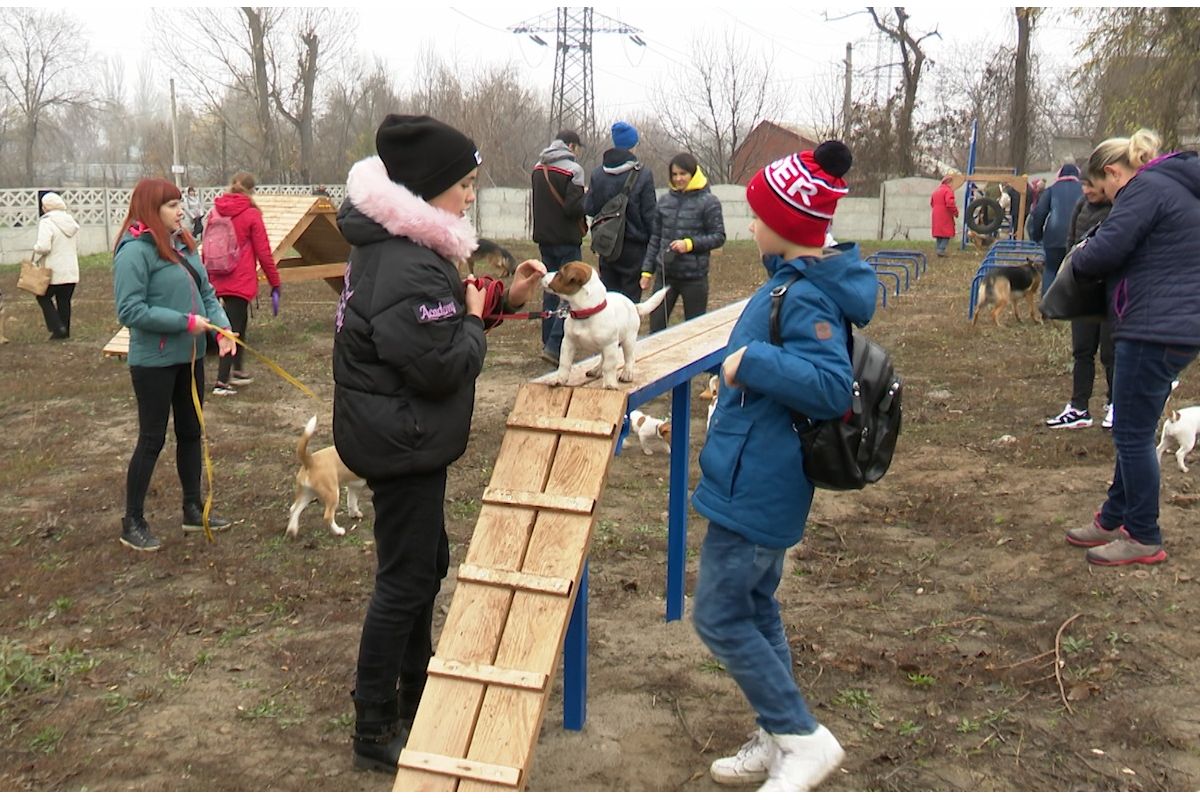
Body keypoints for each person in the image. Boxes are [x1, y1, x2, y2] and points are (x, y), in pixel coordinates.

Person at [332, 114, 547, 773]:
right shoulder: (407, 263)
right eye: (465, 184)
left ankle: (414, 684)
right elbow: (441, 364)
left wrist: (499, 299)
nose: (471, 195)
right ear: (428, 191)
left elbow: (438, 320)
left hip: (399, 434)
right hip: (401, 439)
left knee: (423, 566)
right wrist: (480, 322)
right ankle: (374, 726)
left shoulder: (403, 248)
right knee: (404, 580)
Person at [690, 142, 876, 792]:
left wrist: (747, 365)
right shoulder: (791, 279)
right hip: (753, 474)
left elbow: (830, 385)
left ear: (788, 226)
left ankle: (803, 741)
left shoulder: (805, 297)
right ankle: (777, 734)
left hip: (760, 485)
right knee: (758, 607)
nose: (749, 224)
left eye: (759, 216)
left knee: (717, 614)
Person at [1065, 129, 1200, 567]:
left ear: (1113, 172)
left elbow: (1106, 250)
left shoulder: (1144, 189)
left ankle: (1143, 534)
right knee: (1133, 427)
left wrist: (1078, 257)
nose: (1102, 198)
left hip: (1154, 327)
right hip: (1173, 324)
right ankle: (1113, 517)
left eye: (1102, 191)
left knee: (1133, 434)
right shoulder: (1174, 187)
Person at [112, 178, 237, 552]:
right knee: (152, 439)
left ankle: (192, 508)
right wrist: (184, 322)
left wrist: (222, 330)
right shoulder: (134, 251)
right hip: (154, 361)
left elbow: (206, 292)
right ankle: (132, 520)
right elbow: (130, 310)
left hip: (191, 356)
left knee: (191, 432)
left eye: (179, 203)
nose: (180, 210)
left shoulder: (183, 243)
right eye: (171, 205)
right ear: (151, 209)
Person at [1044, 177, 1114, 431]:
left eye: (1092, 185)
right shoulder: (1081, 205)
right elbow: (1071, 242)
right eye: (1084, 185)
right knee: (1082, 350)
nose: (1087, 190)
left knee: (1111, 353)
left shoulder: (1120, 207)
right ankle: (1078, 407)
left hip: (1110, 291)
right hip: (1084, 288)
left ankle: (1114, 404)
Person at [208, 172, 283, 396]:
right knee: (231, 329)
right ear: (251, 191)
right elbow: (263, 253)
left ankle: (237, 370)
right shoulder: (251, 214)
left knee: (238, 323)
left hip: (217, 273)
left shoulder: (216, 210)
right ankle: (222, 381)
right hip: (239, 279)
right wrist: (275, 282)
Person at [640, 152, 726, 332]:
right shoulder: (664, 201)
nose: (678, 178)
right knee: (655, 329)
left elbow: (718, 236)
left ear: (693, 174)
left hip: (694, 278)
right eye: (675, 174)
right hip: (665, 275)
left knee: (694, 331)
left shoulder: (709, 202)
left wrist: (690, 244)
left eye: (683, 174)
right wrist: (647, 271)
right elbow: (655, 238)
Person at [531, 128, 587, 363]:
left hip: (544, 238)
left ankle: (547, 341)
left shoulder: (537, 167)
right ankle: (555, 346)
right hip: (566, 239)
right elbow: (572, 208)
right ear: (571, 146)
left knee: (551, 289)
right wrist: (585, 196)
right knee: (569, 292)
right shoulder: (574, 170)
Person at [585, 121, 657, 301]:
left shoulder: (597, 174)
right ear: (633, 145)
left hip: (607, 246)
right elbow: (650, 216)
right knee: (629, 304)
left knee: (608, 301)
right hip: (634, 248)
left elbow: (590, 208)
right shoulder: (643, 174)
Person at [1028, 164, 1083, 295]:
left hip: (1054, 238)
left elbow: (1039, 213)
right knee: (1076, 271)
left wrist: (1036, 235)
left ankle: (1048, 308)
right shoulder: (1084, 190)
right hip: (1078, 237)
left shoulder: (1051, 190)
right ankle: (1072, 306)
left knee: (1051, 269)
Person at [32, 192, 80, 339]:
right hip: (71, 269)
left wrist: (35, 249)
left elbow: (44, 247)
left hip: (54, 270)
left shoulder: (46, 222)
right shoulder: (70, 222)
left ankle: (57, 327)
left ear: (46, 207)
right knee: (64, 300)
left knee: (43, 297)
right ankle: (64, 331)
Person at [930, 175, 958, 257]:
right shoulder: (948, 191)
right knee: (947, 233)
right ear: (949, 182)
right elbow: (950, 203)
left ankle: (939, 248)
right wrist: (955, 212)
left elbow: (932, 203)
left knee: (939, 233)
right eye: (952, 182)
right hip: (945, 214)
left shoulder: (936, 191)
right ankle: (941, 249)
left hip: (936, 214)